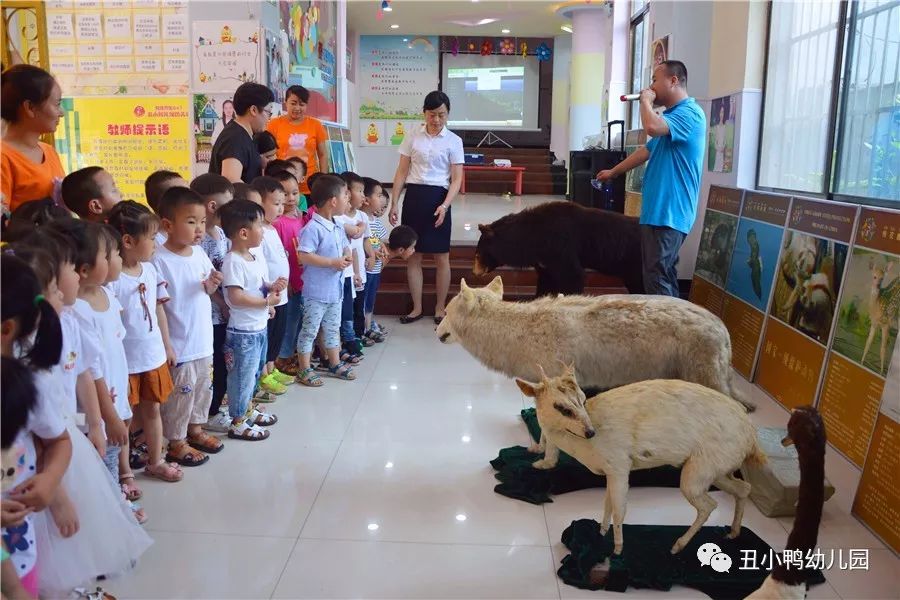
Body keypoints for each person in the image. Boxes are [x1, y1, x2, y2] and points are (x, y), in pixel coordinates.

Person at [596, 60, 706, 297]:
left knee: (658, 274)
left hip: (671, 212)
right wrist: (614, 172)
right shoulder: (672, 117)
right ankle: (672, 327)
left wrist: (645, 101)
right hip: (656, 211)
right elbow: (646, 151)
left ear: (673, 80)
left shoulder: (690, 114)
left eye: (655, 79)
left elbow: (652, 128)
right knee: (656, 273)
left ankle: (668, 331)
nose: (651, 86)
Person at [106, 201, 181, 482]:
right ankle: (124, 472)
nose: (155, 244)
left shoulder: (150, 270)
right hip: (125, 360)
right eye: (151, 238)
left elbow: (159, 308)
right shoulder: (112, 279)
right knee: (123, 418)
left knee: (153, 409)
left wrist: (167, 344)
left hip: (151, 355)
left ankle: (155, 460)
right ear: (127, 241)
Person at [153, 187, 225, 465]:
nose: (199, 229)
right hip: (180, 344)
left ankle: (196, 429)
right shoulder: (159, 260)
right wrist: (167, 344)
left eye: (202, 221)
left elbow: (203, 288)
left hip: (202, 340)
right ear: (168, 225)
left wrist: (211, 286)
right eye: (191, 221)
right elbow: (159, 305)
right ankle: (176, 441)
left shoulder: (198, 254)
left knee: (202, 388)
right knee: (180, 396)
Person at [389, 90, 464, 324]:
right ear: (424, 113)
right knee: (414, 256)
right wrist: (394, 202)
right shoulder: (412, 136)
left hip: (439, 199)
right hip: (414, 197)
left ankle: (440, 308)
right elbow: (402, 171)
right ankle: (417, 307)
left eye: (442, 115)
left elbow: (456, 179)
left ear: (448, 114)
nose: (437, 120)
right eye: (432, 115)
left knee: (442, 257)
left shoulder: (454, 141)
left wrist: (445, 205)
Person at [219, 199, 283, 440]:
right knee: (241, 377)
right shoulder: (232, 261)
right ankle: (237, 421)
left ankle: (248, 410)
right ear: (243, 232)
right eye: (259, 225)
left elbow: (256, 287)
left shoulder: (253, 257)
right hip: (243, 334)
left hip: (259, 328)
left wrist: (270, 288)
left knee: (255, 374)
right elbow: (236, 297)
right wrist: (266, 303)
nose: (264, 231)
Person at [295, 174, 355, 387]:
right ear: (333, 201)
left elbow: (345, 245)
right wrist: (332, 262)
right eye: (345, 196)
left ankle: (334, 362)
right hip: (316, 292)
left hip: (334, 290)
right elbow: (303, 255)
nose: (348, 200)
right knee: (310, 330)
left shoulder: (337, 225)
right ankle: (304, 367)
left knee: (332, 328)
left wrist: (347, 254)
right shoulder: (313, 228)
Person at [191, 173, 235, 432]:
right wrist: (223, 303)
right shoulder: (200, 242)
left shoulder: (220, 232)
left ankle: (217, 405)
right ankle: (208, 412)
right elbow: (206, 281)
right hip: (212, 314)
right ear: (212, 206)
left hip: (226, 311)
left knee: (223, 360)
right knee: (214, 364)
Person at [1, 65, 66, 212]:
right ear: (30, 107)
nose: (61, 113)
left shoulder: (49, 151)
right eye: (57, 104)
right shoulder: (3, 158)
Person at [266, 85, 328, 195]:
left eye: (302, 104)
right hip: (282, 185)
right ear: (286, 102)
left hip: (310, 186)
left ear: (306, 105)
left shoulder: (316, 125)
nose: (297, 108)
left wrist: (323, 181)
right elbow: (268, 155)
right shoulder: (274, 124)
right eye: (293, 103)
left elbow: (322, 154)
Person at [209, 83, 274, 184]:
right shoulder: (235, 138)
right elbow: (232, 181)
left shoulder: (241, 133)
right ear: (253, 110)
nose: (269, 118)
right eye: (268, 112)